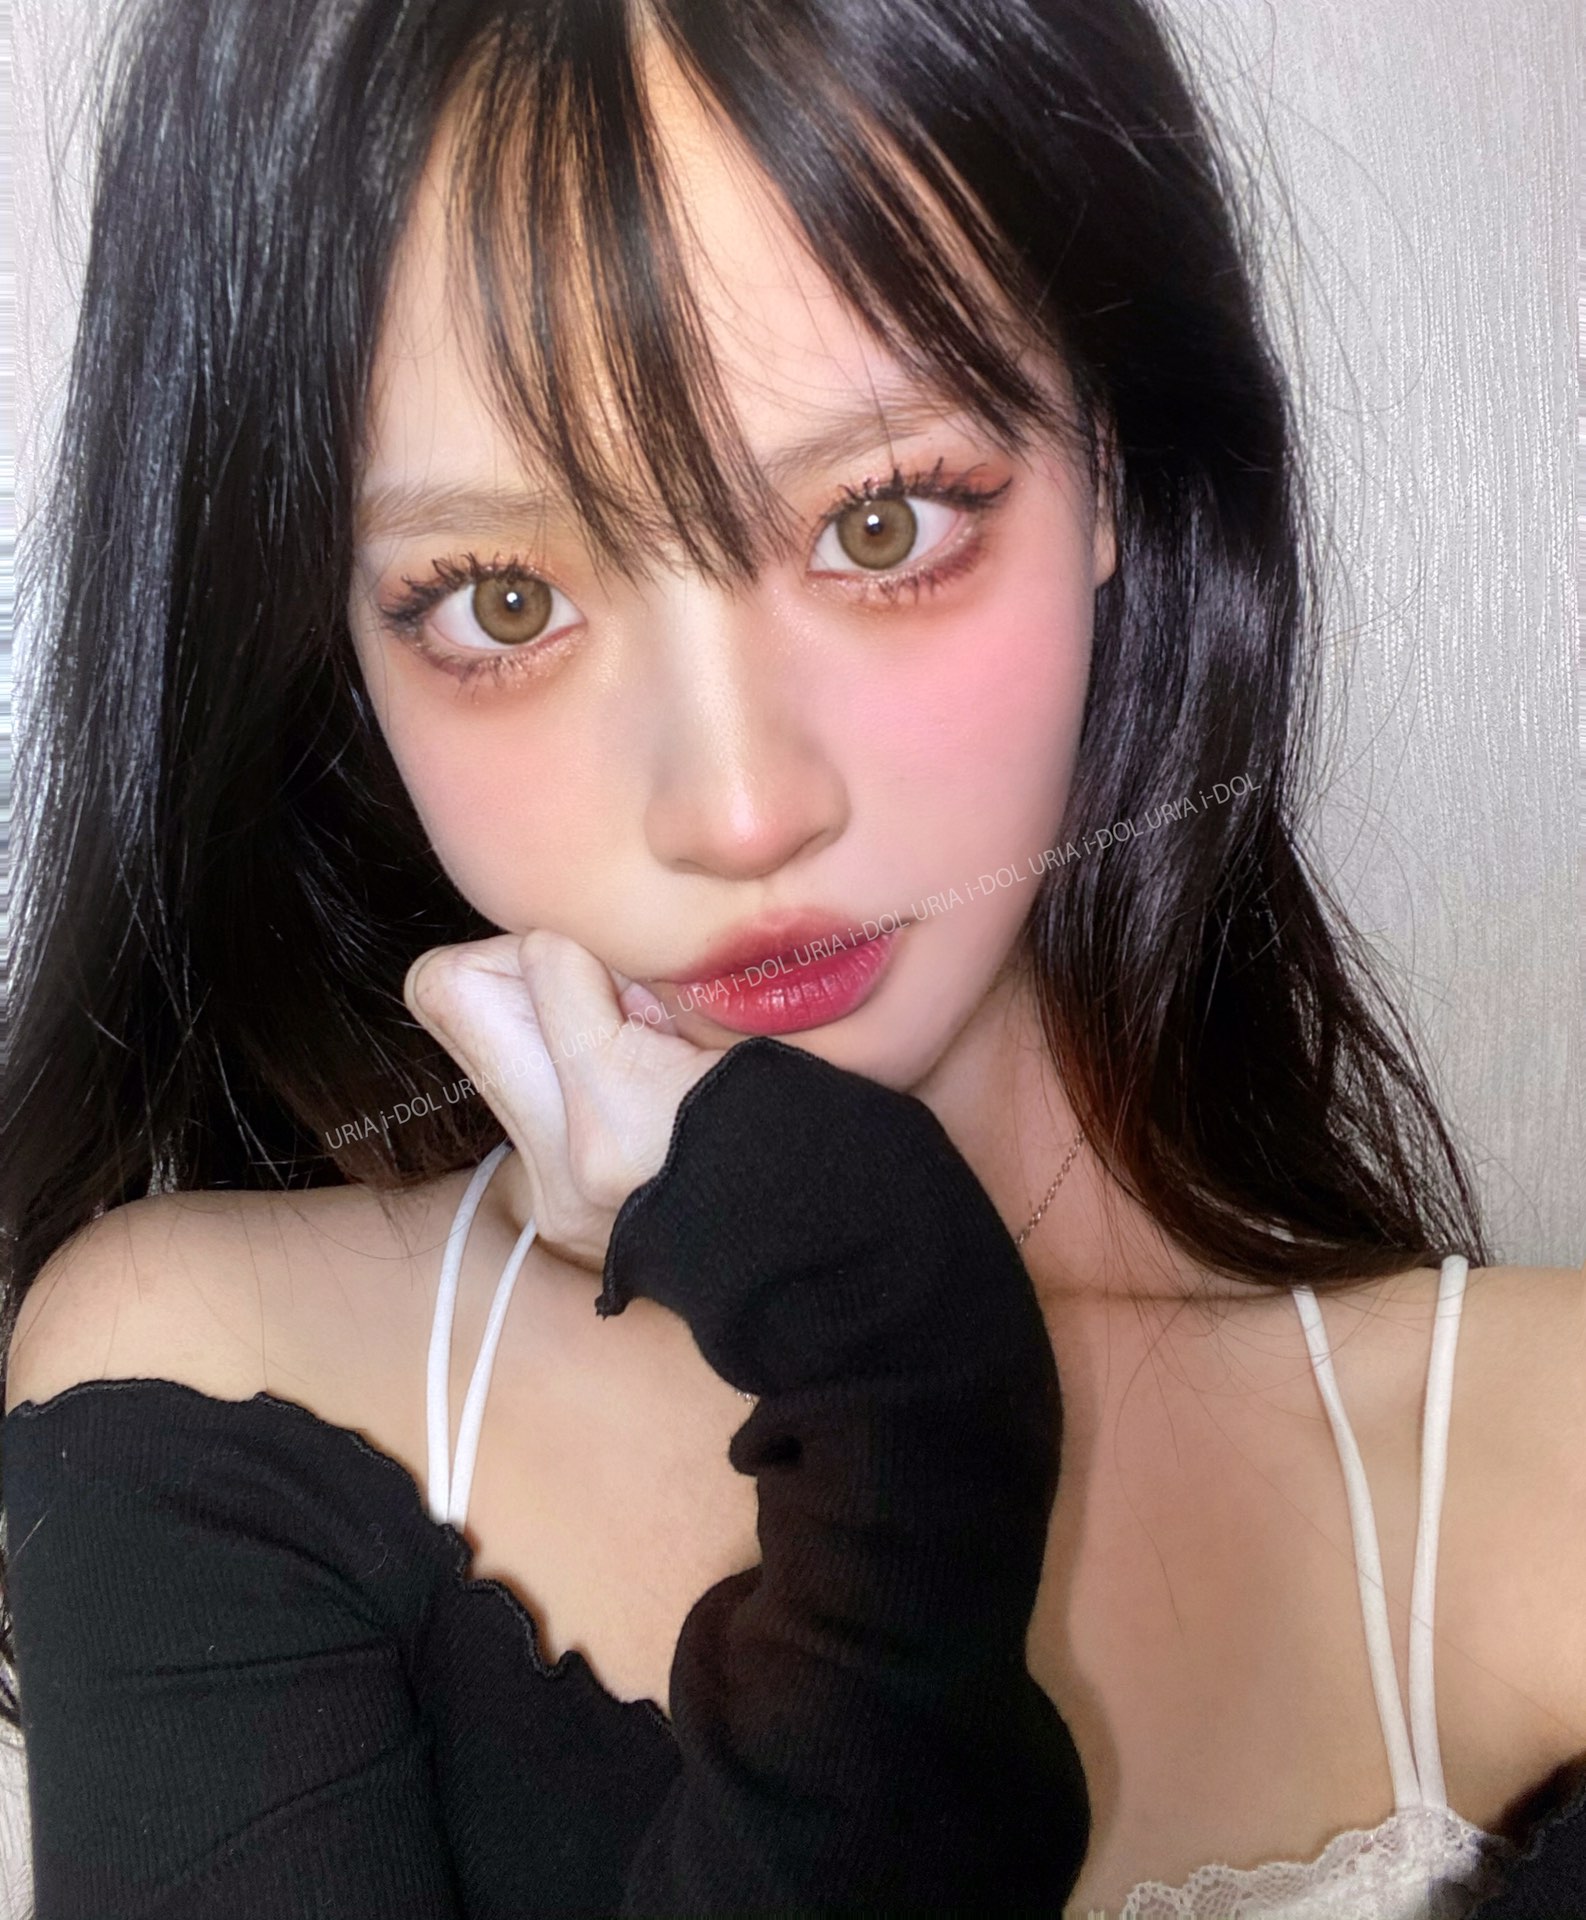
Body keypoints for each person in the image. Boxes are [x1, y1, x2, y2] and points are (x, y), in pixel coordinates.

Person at [0, 0, 1580, 1914]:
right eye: (503, 598)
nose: (739, 810)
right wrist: (891, 1377)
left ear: (1105, 462)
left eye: (878, 520)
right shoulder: (217, 1392)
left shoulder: (1543, 1470)